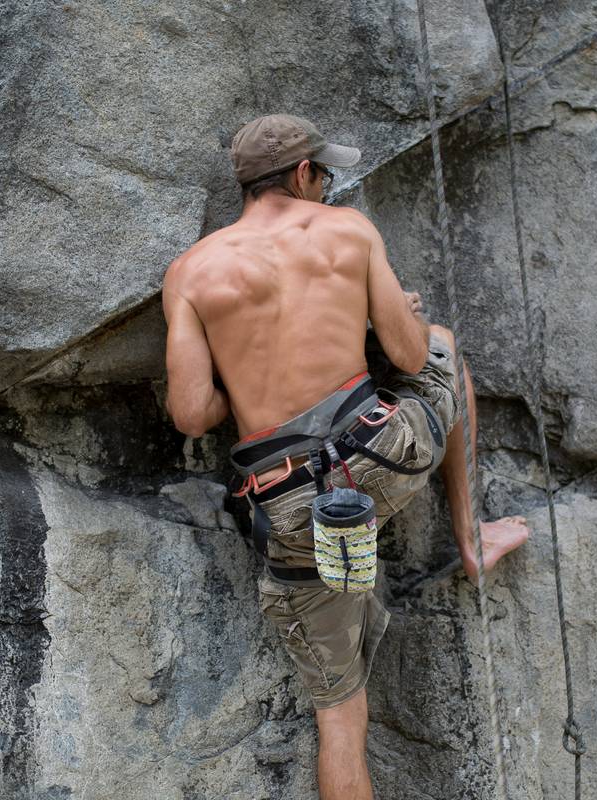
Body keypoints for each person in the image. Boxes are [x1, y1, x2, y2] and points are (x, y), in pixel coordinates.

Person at [163, 114, 530, 800]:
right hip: (386, 456)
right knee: (444, 342)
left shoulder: (190, 272)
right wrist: (378, 321)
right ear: (304, 175)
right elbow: (412, 356)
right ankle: (470, 534)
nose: (327, 186)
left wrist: (242, 379)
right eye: (323, 174)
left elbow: (191, 414)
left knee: (340, 715)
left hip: (292, 503)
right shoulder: (347, 230)